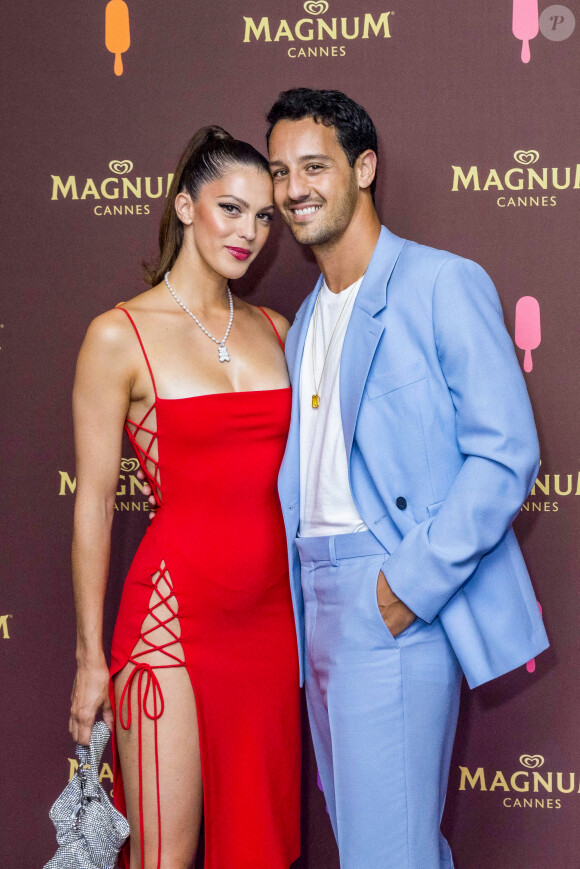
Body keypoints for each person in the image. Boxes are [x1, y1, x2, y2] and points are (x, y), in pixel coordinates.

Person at [266, 88, 549, 869]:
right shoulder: (306, 319)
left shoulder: (440, 283)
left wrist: (407, 585)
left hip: (389, 595)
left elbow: (505, 452)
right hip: (311, 602)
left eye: (314, 166)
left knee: (383, 853)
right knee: (373, 842)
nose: (294, 188)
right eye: (281, 171)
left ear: (364, 167)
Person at [68, 126, 301, 869]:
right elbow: (94, 503)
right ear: (183, 206)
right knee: (163, 858)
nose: (250, 233)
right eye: (230, 209)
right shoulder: (118, 334)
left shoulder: (278, 329)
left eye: (265, 217)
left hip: (271, 623)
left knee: (257, 852)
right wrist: (88, 657)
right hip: (169, 621)